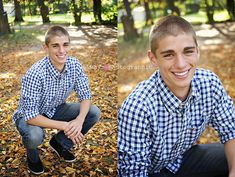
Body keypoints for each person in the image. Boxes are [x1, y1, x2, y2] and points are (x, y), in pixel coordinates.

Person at [118, 15, 235, 177]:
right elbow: (133, 172)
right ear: (153, 59)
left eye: (188, 51)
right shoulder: (137, 107)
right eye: (168, 55)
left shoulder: (209, 84)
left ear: (197, 51)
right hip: (150, 171)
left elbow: (231, 130)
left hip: (180, 160)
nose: (180, 64)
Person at [13, 25, 101, 175]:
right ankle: (32, 157)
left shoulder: (74, 65)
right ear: (46, 47)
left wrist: (79, 120)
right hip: (29, 116)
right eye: (55, 46)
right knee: (34, 136)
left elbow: (85, 96)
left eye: (65, 45)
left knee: (93, 112)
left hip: (55, 108)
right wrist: (66, 126)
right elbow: (31, 116)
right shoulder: (35, 74)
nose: (62, 51)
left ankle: (59, 143)